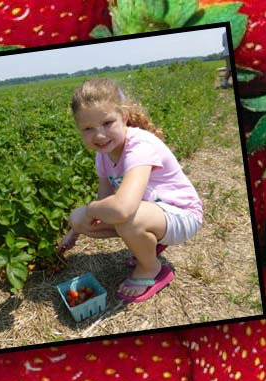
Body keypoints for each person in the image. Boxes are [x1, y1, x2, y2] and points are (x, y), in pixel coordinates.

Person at [57, 78, 203, 303]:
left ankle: (151, 268)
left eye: (107, 123)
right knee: (79, 219)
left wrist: (92, 209)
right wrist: (75, 230)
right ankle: (150, 241)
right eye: (88, 129)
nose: (99, 135)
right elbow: (105, 199)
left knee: (125, 217)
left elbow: (121, 208)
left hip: (183, 214)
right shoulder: (103, 155)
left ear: (124, 117)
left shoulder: (139, 146)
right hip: (153, 212)